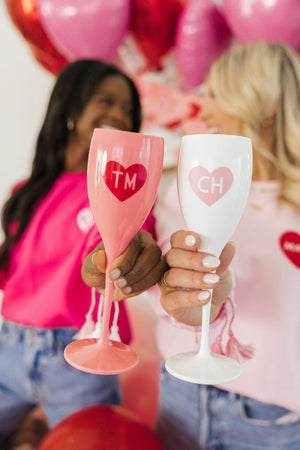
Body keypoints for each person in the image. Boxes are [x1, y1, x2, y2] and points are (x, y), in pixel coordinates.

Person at [0, 59, 166, 448]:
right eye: (105, 100)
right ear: (70, 110)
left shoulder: (123, 200)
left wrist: (121, 259)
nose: (119, 115)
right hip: (9, 347)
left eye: (128, 109)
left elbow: (122, 247)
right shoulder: (27, 191)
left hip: (78, 360)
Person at [155, 42, 300, 449]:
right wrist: (179, 300)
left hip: (274, 423)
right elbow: (160, 294)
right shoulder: (186, 190)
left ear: (263, 102)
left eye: (216, 94)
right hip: (181, 395)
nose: (204, 106)